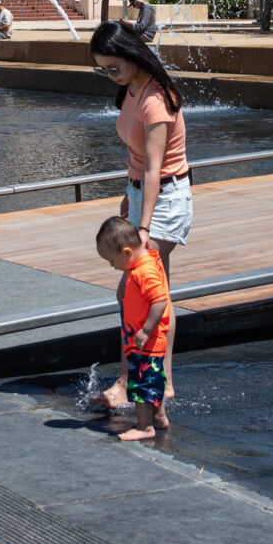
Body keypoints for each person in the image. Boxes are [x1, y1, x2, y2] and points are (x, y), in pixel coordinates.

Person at [88, 21, 191, 407]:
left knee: (137, 290)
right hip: (144, 195)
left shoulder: (155, 99)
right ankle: (155, 382)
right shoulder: (131, 88)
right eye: (103, 70)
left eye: (113, 67)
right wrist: (129, 196)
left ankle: (130, 382)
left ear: (131, 55)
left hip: (164, 198)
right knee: (152, 291)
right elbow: (138, 162)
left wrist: (143, 227)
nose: (109, 75)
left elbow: (154, 167)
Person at [95, 216, 172, 442]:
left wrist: (146, 330)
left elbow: (159, 300)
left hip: (147, 341)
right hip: (146, 341)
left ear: (127, 253)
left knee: (140, 384)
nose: (113, 266)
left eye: (112, 261)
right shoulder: (144, 263)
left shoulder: (143, 271)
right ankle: (159, 417)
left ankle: (145, 426)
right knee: (153, 380)